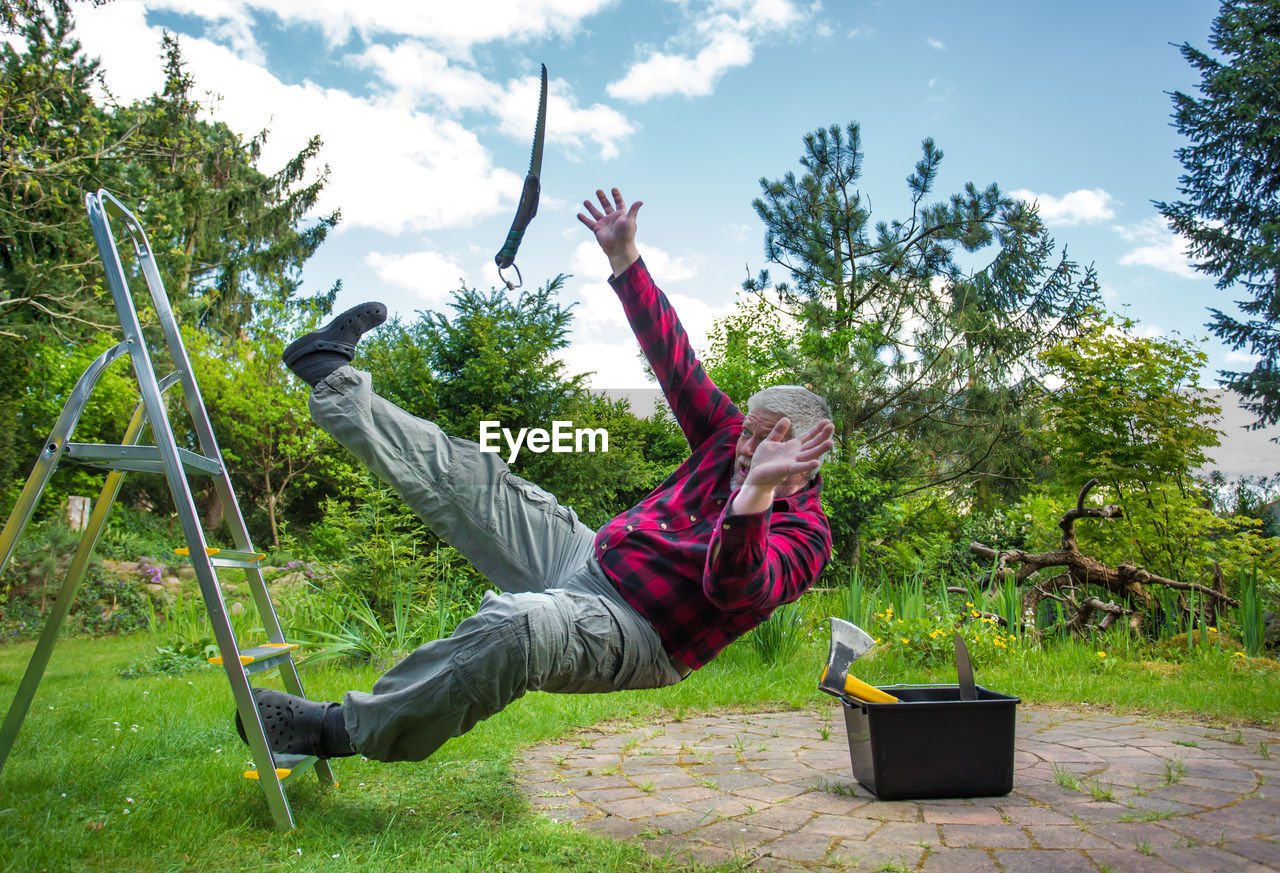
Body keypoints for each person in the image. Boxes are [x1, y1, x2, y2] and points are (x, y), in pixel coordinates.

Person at [238, 188, 835, 763]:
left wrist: (754, 493)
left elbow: (736, 590)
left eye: (765, 437)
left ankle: (337, 729)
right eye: (748, 430)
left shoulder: (807, 535)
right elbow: (673, 359)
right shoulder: (727, 435)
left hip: (637, 633)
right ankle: (327, 373)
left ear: (805, 452)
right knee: (474, 476)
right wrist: (624, 257)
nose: (745, 444)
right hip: (589, 557)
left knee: (519, 627)